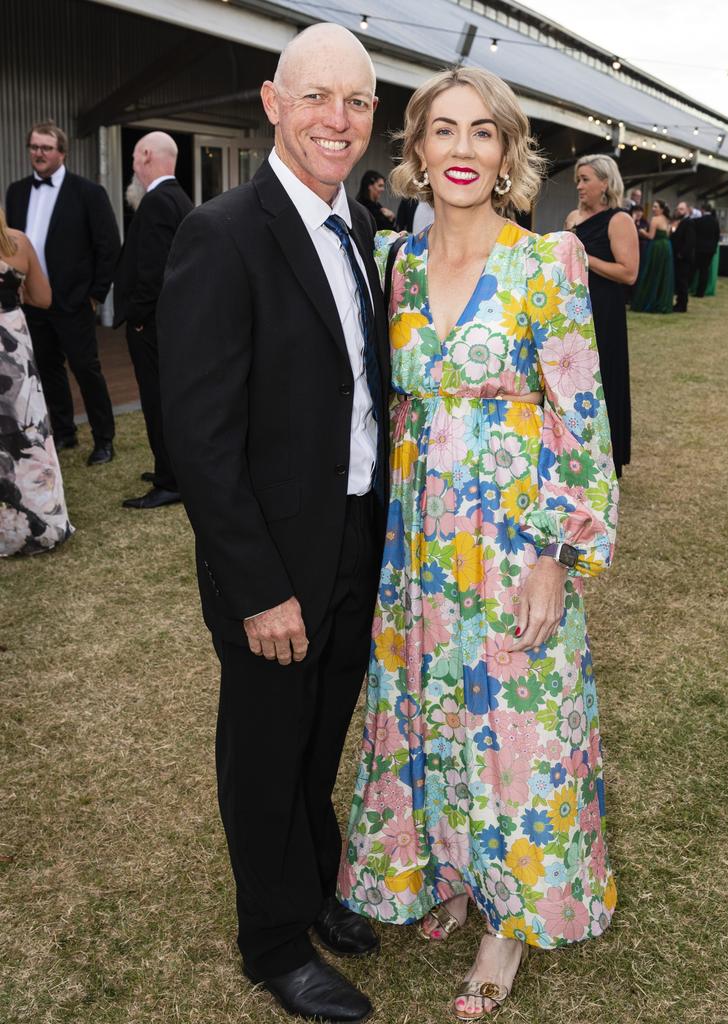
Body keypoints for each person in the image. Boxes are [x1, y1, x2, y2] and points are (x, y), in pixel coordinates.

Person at [338, 66, 619, 1021]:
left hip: (511, 540)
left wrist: (555, 553)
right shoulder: (390, 266)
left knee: (522, 721)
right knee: (432, 706)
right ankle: (452, 867)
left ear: (508, 155)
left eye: (483, 133)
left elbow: (582, 419)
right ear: (415, 149)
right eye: (443, 131)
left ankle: (511, 923)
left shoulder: (548, 264)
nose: (462, 150)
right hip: (417, 546)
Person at [157, 23, 389, 1024]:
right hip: (275, 560)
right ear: (272, 103)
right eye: (318, 97)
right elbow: (198, 437)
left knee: (318, 735)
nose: (339, 120)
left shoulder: (363, 230)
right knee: (264, 745)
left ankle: (315, 884)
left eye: (359, 103)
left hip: (354, 538)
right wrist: (257, 586)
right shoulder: (223, 232)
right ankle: (273, 941)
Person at [5, 122, 121, 465]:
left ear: (62, 153)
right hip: (31, 301)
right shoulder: (17, 191)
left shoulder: (88, 193)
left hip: (74, 301)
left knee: (86, 369)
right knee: (47, 370)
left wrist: (96, 294)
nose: (38, 153)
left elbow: (109, 247)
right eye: (34, 147)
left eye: (46, 147)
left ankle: (104, 439)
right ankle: (65, 432)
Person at [113, 131, 192, 509]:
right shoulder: (177, 198)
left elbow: (154, 270)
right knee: (167, 400)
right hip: (168, 324)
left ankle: (169, 480)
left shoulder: (158, 202)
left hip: (154, 326)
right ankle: (170, 467)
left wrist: (139, 317)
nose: (131, 164)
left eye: (133, 156)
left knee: (158, 400)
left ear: (145, 155)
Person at [0, 208, 74, 556]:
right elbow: (43, 298)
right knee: (28, 431)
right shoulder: (18, 243)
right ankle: (39, 520)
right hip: (13, 346)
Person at [565, 155, 638, 477]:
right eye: (578, 180)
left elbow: (628, 273)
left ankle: (606, 457)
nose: (579, 186)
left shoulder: (619, 220)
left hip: (604, 311)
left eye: (585, 179)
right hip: (572, 308)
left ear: (605, 183)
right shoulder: (572, 217)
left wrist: (583, 256)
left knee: (603, 377)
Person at [631, 199, 674, 314]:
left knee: (652, 272)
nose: (653, 209)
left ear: (661, 209)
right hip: (666, 247)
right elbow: (668, 234)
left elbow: (651, 236)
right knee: (663, 273)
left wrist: (642, 232)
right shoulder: (667, 219)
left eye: (655, 207)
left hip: (657, 247)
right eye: (653, 207)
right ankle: (661, 301)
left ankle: (648, 301)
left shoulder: (655, 219)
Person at [671, 201, 696, 313]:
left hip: (683, 258)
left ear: (686, 210)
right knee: (679, 281)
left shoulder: (688, 222)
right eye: (678, 209)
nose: (679, 211)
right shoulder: (679, 222)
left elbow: (689, 241)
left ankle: (682, 304)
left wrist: (682, 254)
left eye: (681, 209)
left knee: (682, 281)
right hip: (678, 256)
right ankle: (679, 302)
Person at [693, 202, 720, 297]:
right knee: (704, 271)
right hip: (710, 250)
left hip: (699, 249)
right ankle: (701, 292)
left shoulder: (698, 221)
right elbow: (717, 236)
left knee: (694, 269)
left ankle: (690, 288)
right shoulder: (715, 221)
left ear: (702, 210)